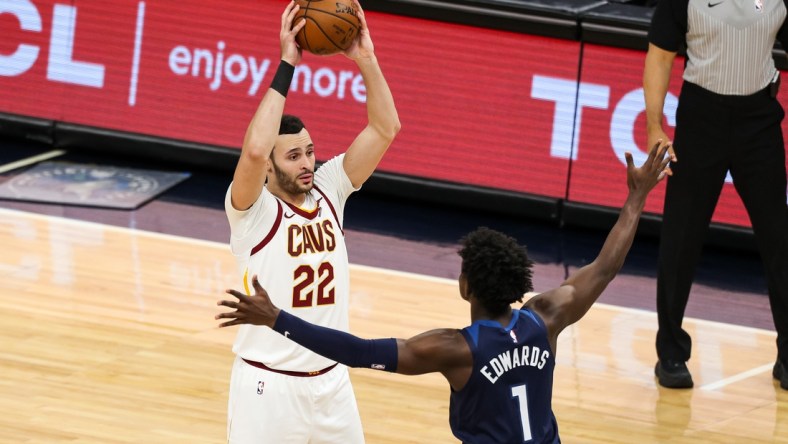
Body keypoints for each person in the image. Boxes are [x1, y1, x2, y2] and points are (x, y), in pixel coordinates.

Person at [216, 145, 672, 443]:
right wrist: (636, 198)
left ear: (466, 286)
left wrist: (278, 319)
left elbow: (356, 352)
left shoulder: (456, 350)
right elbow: (606, 267)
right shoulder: (546, 316)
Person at [222, 0, 400, 442]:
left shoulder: (330, 188)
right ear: (270, 167)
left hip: (333, 383)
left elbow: (385, 128)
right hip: (269, 388)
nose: (307, 163)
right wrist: (287, 62)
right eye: (294, 155)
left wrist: (366, 59)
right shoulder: (251, 211)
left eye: (310, 151)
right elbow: (254, 151)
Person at [644, 0, 788, 390]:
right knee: (681, 240)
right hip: (701, 118)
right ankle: (671, 354)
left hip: (759, 121)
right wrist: (655, 126)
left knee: (781, 241)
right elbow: (660, 55)